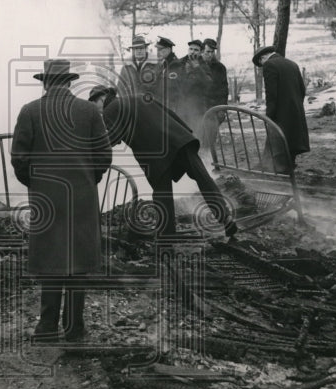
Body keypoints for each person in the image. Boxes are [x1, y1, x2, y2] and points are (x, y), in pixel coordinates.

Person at [11, 60, 112, 343]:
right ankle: (74, 327)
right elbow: (104, 155)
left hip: (46, 197)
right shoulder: (89, 110)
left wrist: (34, 183)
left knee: (51, 260)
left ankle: (46, 326)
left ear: (45, 82)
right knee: (77, 261)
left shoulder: (30, 111)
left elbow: (19, 158)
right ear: (68, 82)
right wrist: (89, 180)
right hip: (81, 197)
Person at [89, 86, 237, 240]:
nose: (97, 110)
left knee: (162, 193)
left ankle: (166, 237)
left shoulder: (109, 111)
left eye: (95, 105)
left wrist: (91, 147)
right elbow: (169, 113)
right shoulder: (138, 96)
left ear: (102, 98)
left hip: (157, 155)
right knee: (202, 177)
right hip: (179, 138)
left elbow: (113, 138)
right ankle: (225, 217)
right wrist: (185, 132)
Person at [252, 45, 310, 172]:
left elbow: (271, 94)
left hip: (280, 114)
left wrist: (269, 116)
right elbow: (302, 89)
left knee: (278, 143)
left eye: (261, 63)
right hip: (295, 111)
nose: (262, 66)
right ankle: (286, 170)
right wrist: (295, 105)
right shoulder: (292, 64)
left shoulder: (269, 65)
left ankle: (275, 171)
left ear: (263, 58)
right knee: (291, 144)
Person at [176, 40, 214, 133]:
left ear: (201, 52)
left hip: (197, 107)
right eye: (191, 49)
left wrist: (197, 68)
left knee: (196, 133)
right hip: (181, 107)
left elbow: (208, 83)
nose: (192, 52)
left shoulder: (203, 65)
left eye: (196, 50)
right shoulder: (179, 63)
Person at [117, 35, 157, 99]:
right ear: (133, 51)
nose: (139, 51)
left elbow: (160, 87)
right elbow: (121, 88)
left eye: (141, 48)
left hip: (150, 104)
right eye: (136, 49)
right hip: (131, 104)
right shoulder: (126, 67)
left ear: (145, 49)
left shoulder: (155, 65)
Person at [153, 36, 182, 110]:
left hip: (171, 107)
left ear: (169, 49)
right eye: (157, 50)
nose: (158, 52)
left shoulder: (176, 65)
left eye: (160, 49)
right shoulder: (163, 64)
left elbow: (173, 90)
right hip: (161, 105)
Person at [202, 38, 230, 110]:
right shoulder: (196, 66)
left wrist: (223, 109)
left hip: (214, 108)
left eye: (212, 52)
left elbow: (224, 90)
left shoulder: (220, 68)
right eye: (208, 52)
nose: (210, 55)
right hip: (197, 108)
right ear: (202, 51)